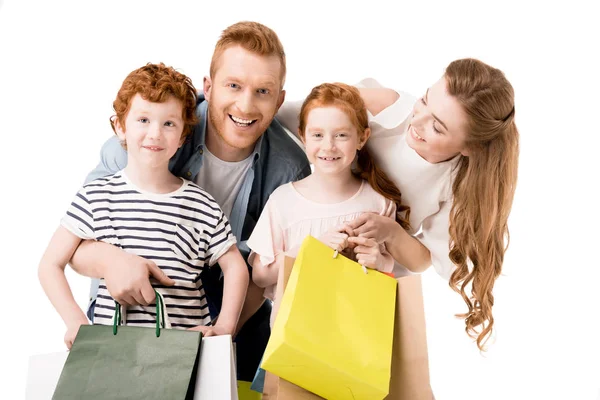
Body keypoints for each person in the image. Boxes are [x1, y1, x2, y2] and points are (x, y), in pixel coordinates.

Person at [66, 22, 311, 380]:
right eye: (233, 85)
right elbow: (74, 242)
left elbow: (268, 272)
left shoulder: (290, 169)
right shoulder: (154, 132)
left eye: (262, 91)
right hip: (138, 302)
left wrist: (219, 335)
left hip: (235, 305)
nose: (245, 104)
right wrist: (111, 260)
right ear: (208, 87)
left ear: (279, 100)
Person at [276, 58, 519, 350]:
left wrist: (391, 233)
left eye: (437, 128)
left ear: (469, 148)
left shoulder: (455, 185)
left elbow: (425, 259)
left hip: (365, 279)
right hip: (310, 241)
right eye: (424, 101)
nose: (417, 122)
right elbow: (294, 116)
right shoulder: (389, 109)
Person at [38, 63, 249, 349]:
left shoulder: (202, 204)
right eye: (143, 120)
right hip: (113, 353)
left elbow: (235, 266)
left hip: (184, 355)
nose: (155, 134)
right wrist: (76, 321)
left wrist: (224, 325)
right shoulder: (96, 195)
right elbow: (50, 264)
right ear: (120, 127)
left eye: (169, 124)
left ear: (182, 138)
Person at [247, 82, 428, 311]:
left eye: (341, 135)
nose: (328, 146)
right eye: (318, 135)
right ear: (303, 136)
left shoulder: (379, 203)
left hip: (359, 332)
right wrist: (311, 249)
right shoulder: (283, 201)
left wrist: (380, 261)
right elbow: (261, 276)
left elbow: (390, 273)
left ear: (362, 138)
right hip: (295, 336)